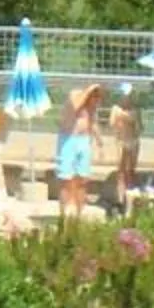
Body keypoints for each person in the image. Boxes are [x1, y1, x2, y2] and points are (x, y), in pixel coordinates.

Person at [53, 83, 103, 219]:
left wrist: (100, 143)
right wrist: (89, 90)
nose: (96, 98)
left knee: (83, 179)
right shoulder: (75, 97)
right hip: (69, 139)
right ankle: (64, 214)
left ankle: (78, 215)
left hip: (84, 141)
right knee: (66, 180)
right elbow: (75, 106)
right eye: (94, 94)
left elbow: (93, 123)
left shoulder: (90, 108)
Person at [104, 83, 142, 214]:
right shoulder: (116, 109)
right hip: (121, 141)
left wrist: (132, 121)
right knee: (121, 171)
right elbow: (112, 124)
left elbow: (139, 128)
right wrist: (124, 119)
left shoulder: (135, 110)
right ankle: (121, 200)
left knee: (131, 171)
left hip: (133, 140)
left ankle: (130, 199)